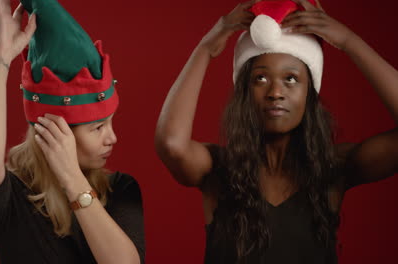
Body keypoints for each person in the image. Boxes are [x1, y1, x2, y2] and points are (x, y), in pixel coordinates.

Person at [154, 0, 398, 263]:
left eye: (291, 79)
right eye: (260, 78)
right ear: (245, 93)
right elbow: (172, 144)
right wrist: (205, 48)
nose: (276, 93)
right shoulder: (219, 169)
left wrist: (349, 41)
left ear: (309, 94)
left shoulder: (332, 169)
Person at [0, 0, 145, 263]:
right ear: (54, 130)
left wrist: (72, 179)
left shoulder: (120, 189)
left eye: (110, 123)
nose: (112, 137)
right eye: (98, 127)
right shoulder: (13, 196)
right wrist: (0, 58)